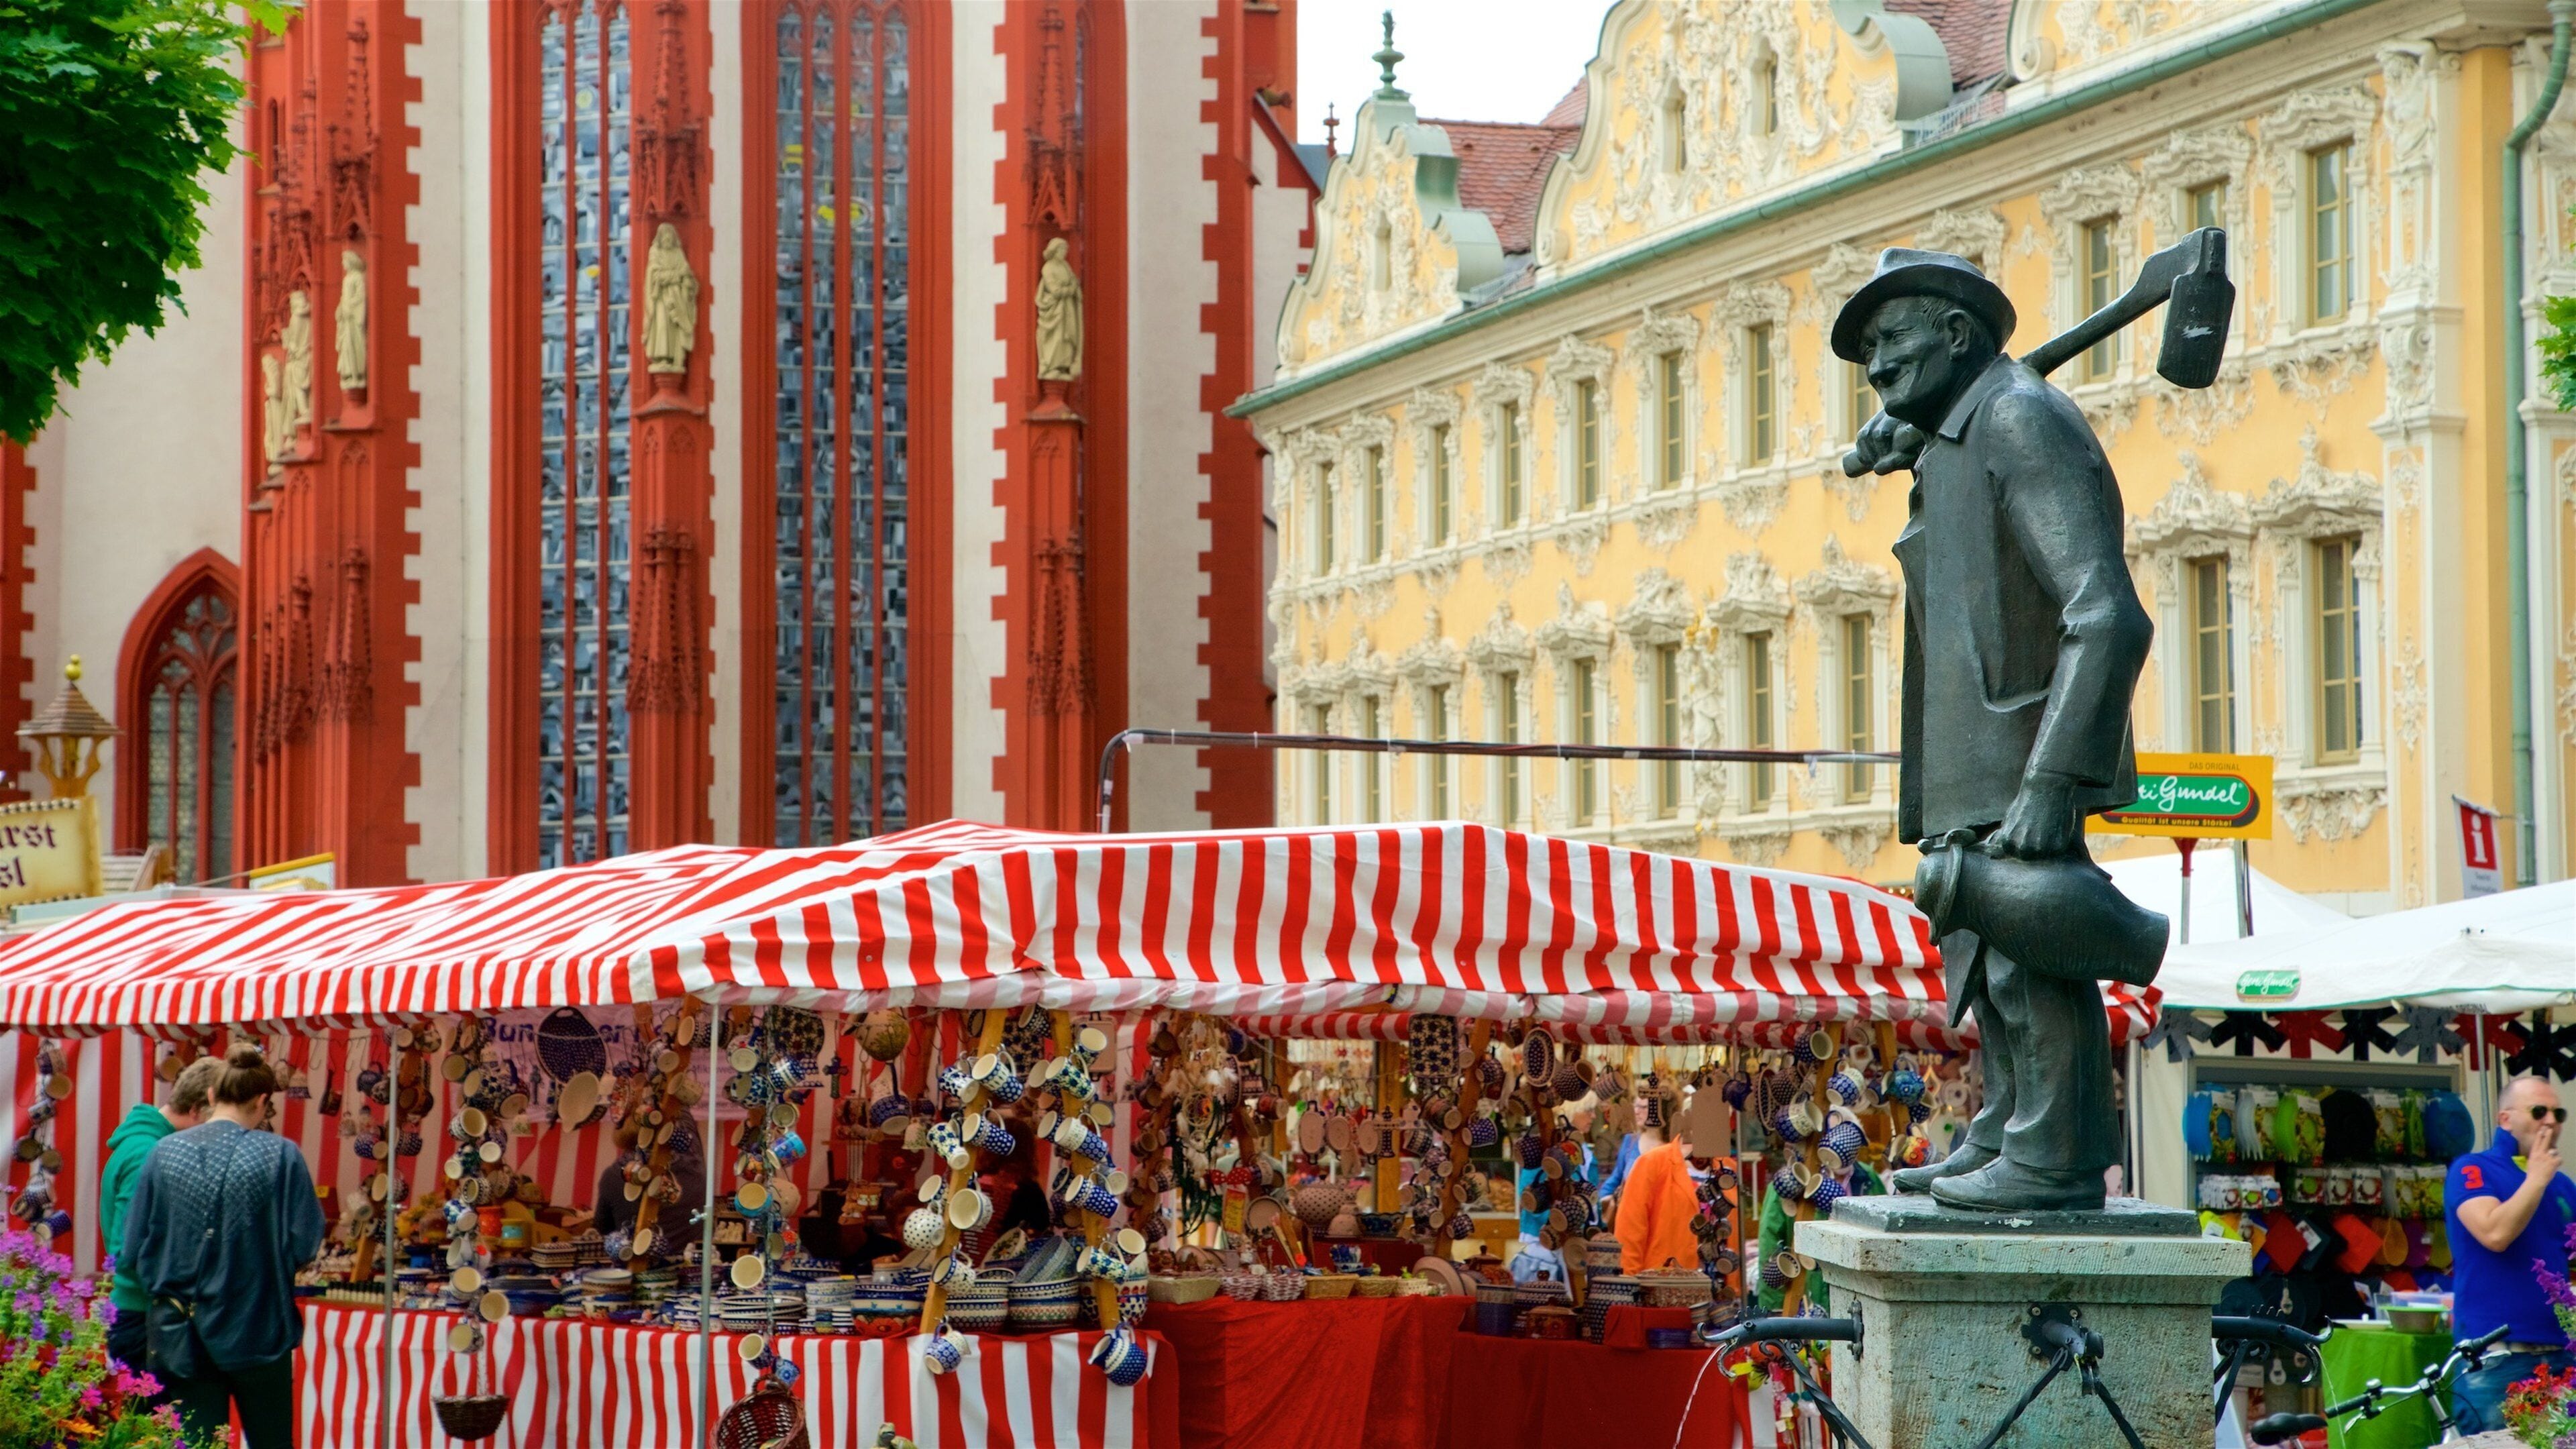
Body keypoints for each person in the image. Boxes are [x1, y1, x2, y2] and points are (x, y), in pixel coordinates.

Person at [1833, 248, 2154, 1214]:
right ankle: (2012, 1123)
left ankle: (2053, 1151)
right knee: (1990, 957)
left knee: (2033, 942)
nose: (1877, 366)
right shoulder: (1964, 429)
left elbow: (2105, 614)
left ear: (1959, 334)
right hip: (1975, 751)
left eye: (1893, 340)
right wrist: (1913, 430)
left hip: (2022, 751)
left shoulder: (2019, 418)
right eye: (1867, 354)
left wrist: (2057, 778)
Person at [121, 1044, 324, 1449]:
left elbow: (132, 1247)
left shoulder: (163, 1153)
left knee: (196, 1444)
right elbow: (305, 1242)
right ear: (263, 1100)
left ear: (212, 1096)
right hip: (259, 1327)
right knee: (270, 1442)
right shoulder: (281, 1155)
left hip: (182, 1333)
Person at [2443, 1074, 2573, 1433]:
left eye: (2558, 1114)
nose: (2550, 1120)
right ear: (2506, 1119)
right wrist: (2535, 1180)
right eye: (2538, 1110)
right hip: (2497, 1357)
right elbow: (2495, 1233)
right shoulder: (2473, 1169)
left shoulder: (2561, 1185)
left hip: (2560, 1355)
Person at [99, 1057, 222, 1378]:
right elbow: (127, 1248)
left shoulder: (150, 1146)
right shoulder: (147, 1154)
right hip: (144, 1315)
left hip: (143, 1311)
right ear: (197, 1109)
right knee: (154, 1425)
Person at [1756, 1155, 1884, 1316]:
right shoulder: (1792, 1182)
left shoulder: (1867, 1178)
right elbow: (1770, 1242)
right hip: (1807, 1296)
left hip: (1861, 1295)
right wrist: (1775, 1311)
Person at [1509, 1093, 1597, 1285]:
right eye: (1589, 1110)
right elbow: (1528, 1195)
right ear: (1572, 1112)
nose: (1594, 1116)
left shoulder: (1585, 1153)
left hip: (1575, 1243)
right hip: (1547, 1244)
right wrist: (1560, 1222)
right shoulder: (1550, 1152)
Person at [593, 1114, 708, 1248]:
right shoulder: (693, 1165)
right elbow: (685, 1119)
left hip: (636, 1261)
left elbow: (603, 1227)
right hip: (693, 1259)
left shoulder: (613, 1175)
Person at [1612, 1118, 1701, 1274]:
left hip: (1718, 1285)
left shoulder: (1726, 1168)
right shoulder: (1653, 1162)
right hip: (1664, 1283)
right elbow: (1629, 1231)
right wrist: (1628, 1285)